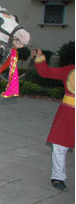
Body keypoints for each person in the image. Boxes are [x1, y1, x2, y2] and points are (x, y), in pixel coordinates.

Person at [32, 48, 75, 191]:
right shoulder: (70, 70)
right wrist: (39, 57)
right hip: (67, 114)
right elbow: (46, 72)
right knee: (59, 147)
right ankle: (58, 177)